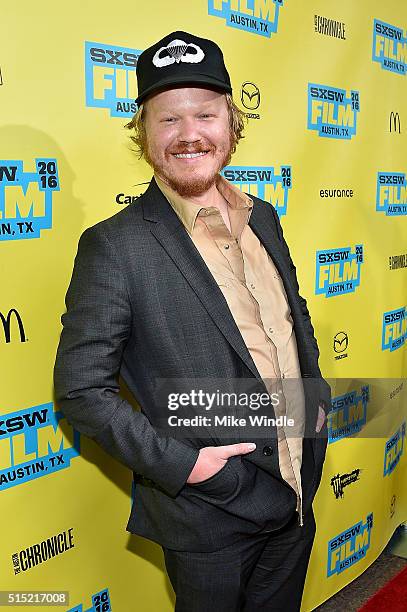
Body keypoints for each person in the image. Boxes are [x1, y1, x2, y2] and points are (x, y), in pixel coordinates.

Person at [54, 30, 331, 612]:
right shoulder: (115, 246)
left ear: (230, 124)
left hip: (297, 489)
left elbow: (291, 320)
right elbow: (81, 391)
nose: (188, 134)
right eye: (167, 119)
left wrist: (316, 403)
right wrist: (191, 466)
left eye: (205, 114)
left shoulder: (266, 219)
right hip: (209, 517)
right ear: (144, 133)